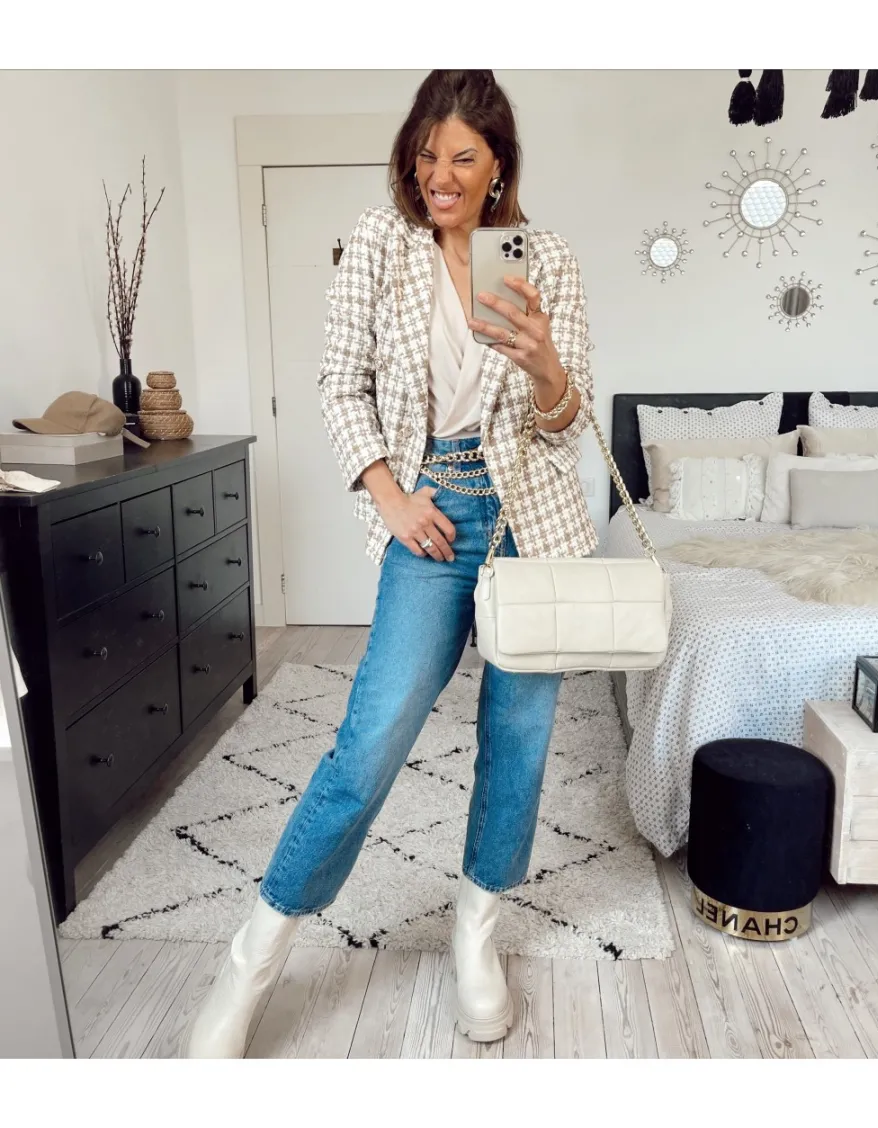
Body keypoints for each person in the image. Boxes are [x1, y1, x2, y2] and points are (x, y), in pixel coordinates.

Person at [187, 69, 597, 1058]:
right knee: (369, 741)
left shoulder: (545, 257)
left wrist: (544, 362)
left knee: (518, 741)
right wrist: (391, 495)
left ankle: (476, 936)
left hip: (531, 523)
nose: (439, 176)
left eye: (463, 157)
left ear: (498, 166)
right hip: (430, 514)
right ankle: (254, 958)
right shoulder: (380, 240)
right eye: (426, 154)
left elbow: (564, 426)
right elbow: (339, 383)